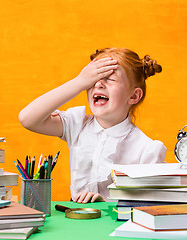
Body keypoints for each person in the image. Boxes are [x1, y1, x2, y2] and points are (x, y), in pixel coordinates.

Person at [18, 48, 166, 203]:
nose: (98, 84)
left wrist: (106, 205)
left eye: (110, 79)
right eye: (93, 78)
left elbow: (152, 206)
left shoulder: (147, 149)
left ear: (134, 96)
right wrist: (79, 82)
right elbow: (27, 118)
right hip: (76, 221)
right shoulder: (77, 125)